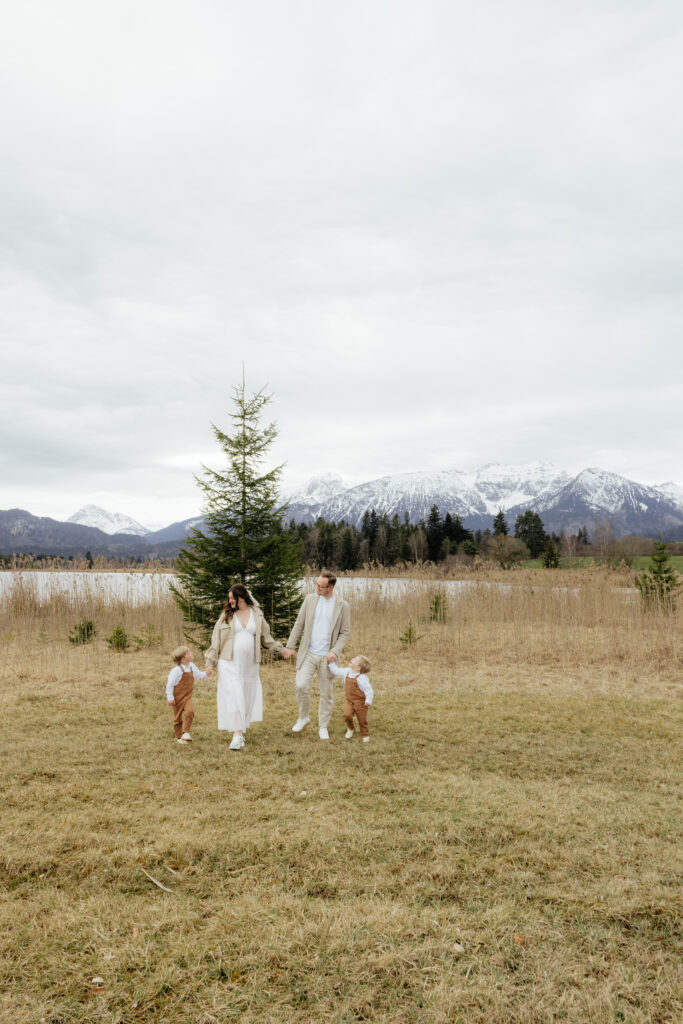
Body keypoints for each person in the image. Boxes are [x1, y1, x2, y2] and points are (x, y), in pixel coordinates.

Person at [205, 584, 286, 750]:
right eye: (229, 598)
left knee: (246, 697)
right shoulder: (226, 616)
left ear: (242, 597)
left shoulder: (256, 615)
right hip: (228, 663)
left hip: (250, 665)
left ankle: (240, 729)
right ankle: (236, 735)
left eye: (233, 598)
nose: (230, 601)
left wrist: (281, 649)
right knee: (234, 696)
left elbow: (266, 638)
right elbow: (216, 642)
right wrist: (210, 663)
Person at [282, 570, 351, 740]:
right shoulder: (310, 600)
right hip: (309, 653)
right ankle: (303, 717)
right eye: (317, 584)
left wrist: (335, 651)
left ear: (331, 587)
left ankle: (323, 726)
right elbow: (299, 624)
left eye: (321, 586)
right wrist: (290, 646)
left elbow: (344, 633)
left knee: (326, 693)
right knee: (300, 685)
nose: (317, 588)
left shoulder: (343, 606)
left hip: (327, 657)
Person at [166, 646, 208, 745]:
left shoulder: (192, 666)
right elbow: (170, 685)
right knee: (177, 717)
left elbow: (199, 676)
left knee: (190, 712)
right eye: (189, 653)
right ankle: (179, 736)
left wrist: (207, 673)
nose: (191, 654)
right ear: (183, 659)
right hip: (177, 697)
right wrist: (170, 697)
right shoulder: (176, 671)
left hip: (187, 696)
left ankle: (186, 732)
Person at [329, 655, 373, 742]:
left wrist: (368, 700)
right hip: (350, 701)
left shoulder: (362, 678)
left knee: (362, 719)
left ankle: (364, 734)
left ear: (358, 668)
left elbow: (369, 690)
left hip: (361, 702)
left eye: (355, 660)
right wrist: (331, 663)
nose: (352, 659)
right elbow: (336, 671)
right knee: (347, 715)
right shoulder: (347, 672)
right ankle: (350, 728)